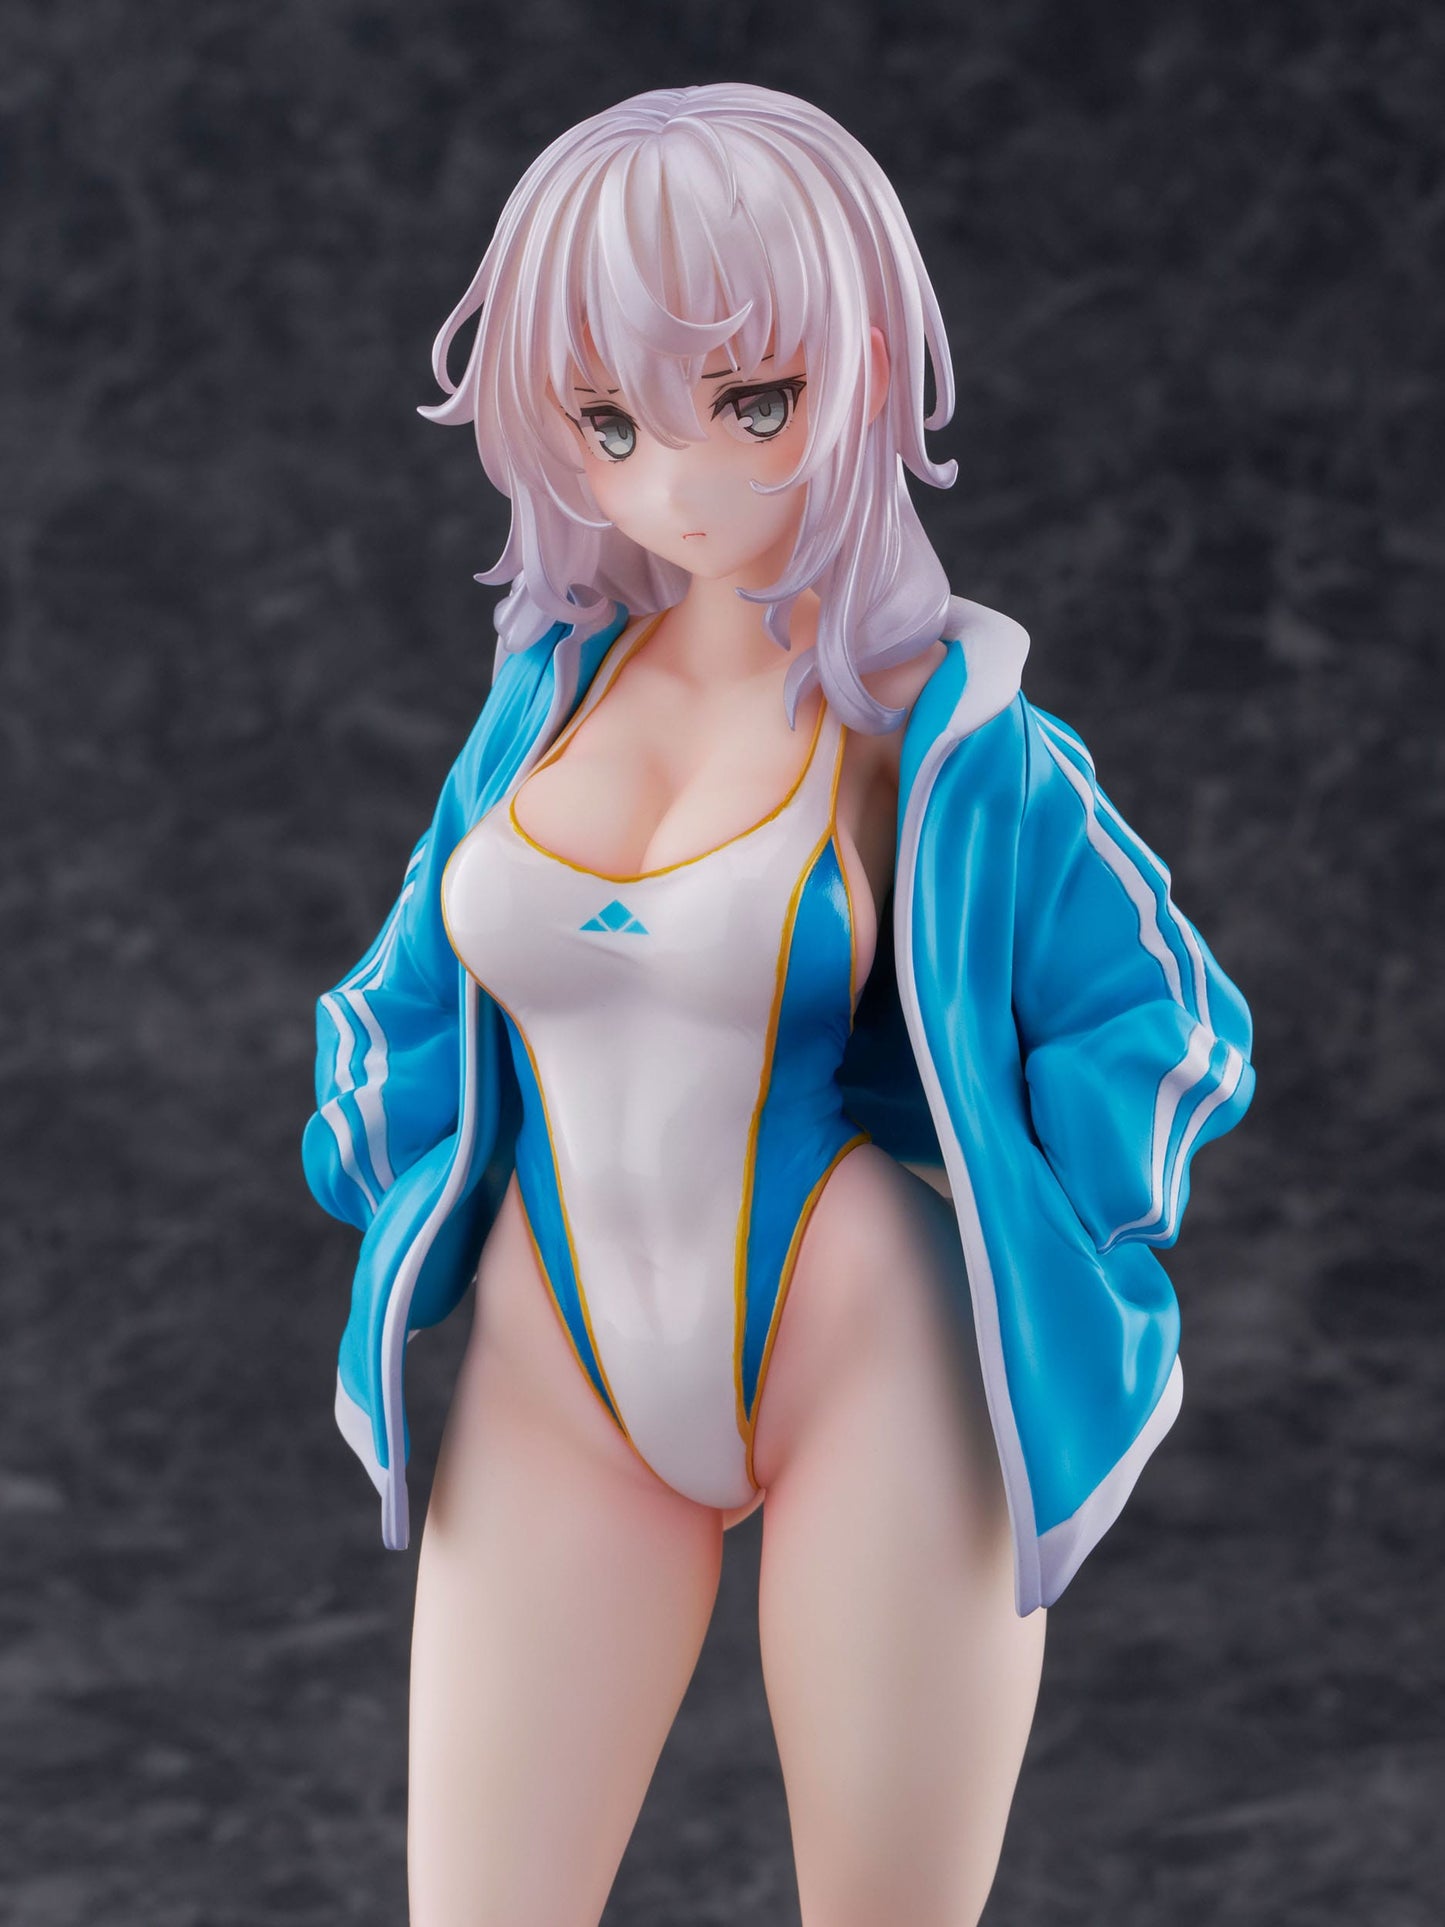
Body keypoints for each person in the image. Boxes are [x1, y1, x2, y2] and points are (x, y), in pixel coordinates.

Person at [302, 82, 1255, 1927]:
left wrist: (1038, 1226)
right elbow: (401, 990)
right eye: (608, 422)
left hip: (865, 1367)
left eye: (751, 399)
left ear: (865, 364)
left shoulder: (942, 735)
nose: (679, 483)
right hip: (553, 1377)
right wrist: (386, 1163)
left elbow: (1163, 1017)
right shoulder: (545, 702)